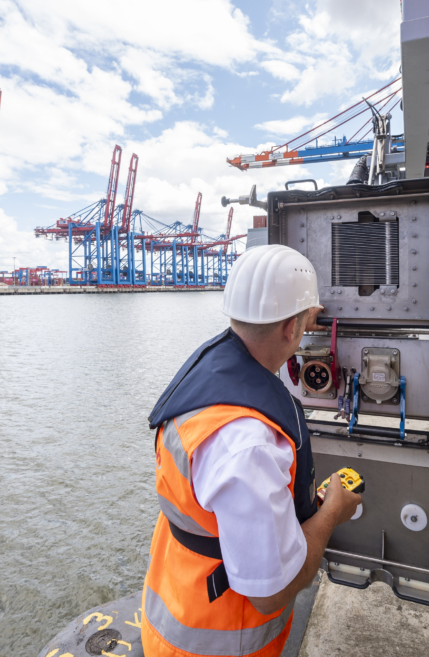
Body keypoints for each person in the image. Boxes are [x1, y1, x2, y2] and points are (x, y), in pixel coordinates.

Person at [141, 244, 363, 657]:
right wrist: (333, 510)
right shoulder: (250, 445)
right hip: (214, 643)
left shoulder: (207, 375)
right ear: (290, 329)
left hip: (172, 610)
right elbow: (271, 593)